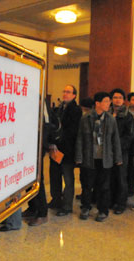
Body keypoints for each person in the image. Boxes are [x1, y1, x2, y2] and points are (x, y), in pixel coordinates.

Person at [75, 92, 122, 222]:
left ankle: (103, 210)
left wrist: (118, 158)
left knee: (104, 186)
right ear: (97, 103)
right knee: (87, 185)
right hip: (89, 158)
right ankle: (85, 207)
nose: (109, 104)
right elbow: (80, 138)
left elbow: (115, 140)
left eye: (108, 101)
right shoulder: (86, 118)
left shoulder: (110, 119)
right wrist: (78, 157)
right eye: (106, 101)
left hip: (105, 158)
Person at [48, 85, 82, 216]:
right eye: (64, 91)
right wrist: (52, 142)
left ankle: (67, 206)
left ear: (74, 95)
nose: (65, 94)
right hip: (55, 150)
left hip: (67, 150)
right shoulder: (58, 109)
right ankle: (55, 199)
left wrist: (58, 142)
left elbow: (71, 131)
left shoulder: (76, 110)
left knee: (68, 179)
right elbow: (53, 126)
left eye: (68, 92)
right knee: (54, 176)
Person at [110, 88, 134, 214]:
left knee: (121, 177)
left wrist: (118, 146)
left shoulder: (127, 116)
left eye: (120, 97)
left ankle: (121, 203)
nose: (117, 100)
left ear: (123, 100)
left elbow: (129, 136)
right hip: (107, 151)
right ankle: (110, 200)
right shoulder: (107, 113)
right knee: (109, 176)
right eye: (115, 97)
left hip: (121, 151)